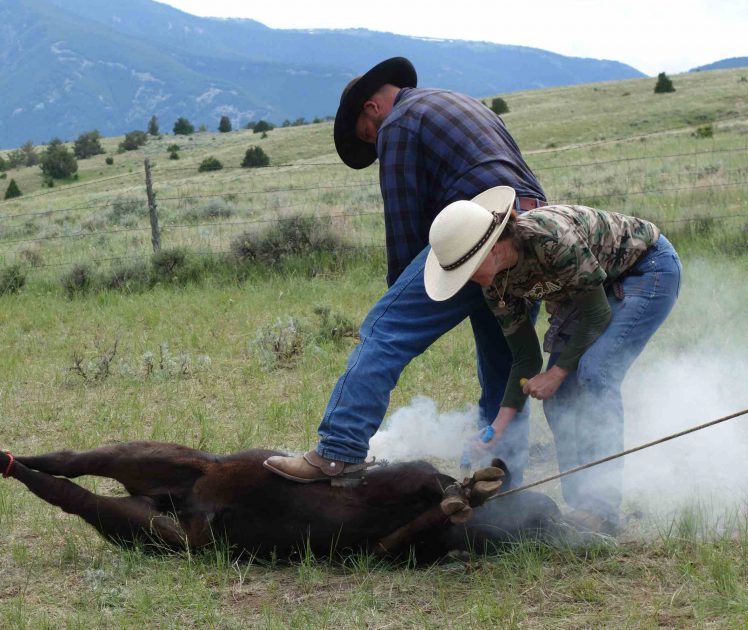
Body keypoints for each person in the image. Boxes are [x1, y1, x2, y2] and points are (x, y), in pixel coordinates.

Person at [264, 57, 546, 486]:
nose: (375, 143)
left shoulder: (398, 124)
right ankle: (502, 482)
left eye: (366, 135)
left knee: (385, 329)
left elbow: (405, 225)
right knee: (504, 361)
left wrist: (402, 297)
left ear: (372, 109)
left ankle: (337, 452)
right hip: (533, 231)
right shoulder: (462, 102)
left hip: (479, 230)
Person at [424, 185, 681, 533]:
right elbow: (526, 358)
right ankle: (582, 508)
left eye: (468, 268)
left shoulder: (550, 239)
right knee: (559, 397)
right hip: (589, 292)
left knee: (595, 373)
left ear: (494, 247)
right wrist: (494, 431)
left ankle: (603, 511)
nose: (467, 279)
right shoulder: (493, 286)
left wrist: (557, 371)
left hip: (645, 269)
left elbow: (597, 316)